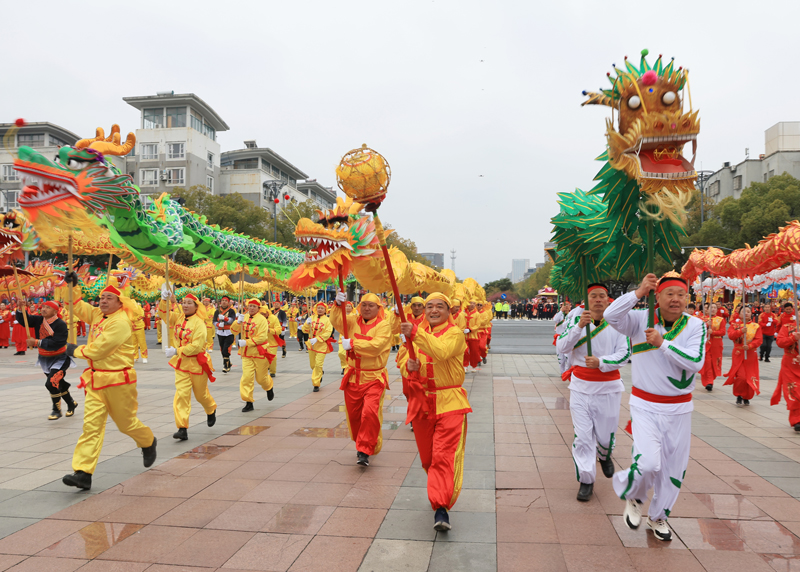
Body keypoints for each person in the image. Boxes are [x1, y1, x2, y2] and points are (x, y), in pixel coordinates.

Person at [605, 273, 706, 542]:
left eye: (681, 294)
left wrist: (662, 344)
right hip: (645, 405)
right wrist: (638, 292)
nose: (676, 299)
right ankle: (635, 496)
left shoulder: (696, 326)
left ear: (687, 298)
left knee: (673, 470)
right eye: (669, 293)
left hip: (680, 410)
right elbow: (611, 316)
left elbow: (696, 362)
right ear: (657, 296)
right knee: (649, 462)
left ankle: (658, 517)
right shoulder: (640, 320)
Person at [61, 278, 157, 491]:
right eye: (102, 297)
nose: (103, 301)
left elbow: (98, 350)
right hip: (96, 380)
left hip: (118, 381)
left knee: (126, 424)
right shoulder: (97, 314)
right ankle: (83, 473)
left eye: (109, 298)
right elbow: (76, 305)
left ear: (120, 302)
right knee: (91, 426)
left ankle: (148, 441)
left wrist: (73, 350)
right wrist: (72, 286)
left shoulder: (121, 322)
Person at [399, 293, 470, 531]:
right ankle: (438, 491)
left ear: (449, 311)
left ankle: (441, 508)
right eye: (429, 306)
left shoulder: (455, 333)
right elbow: (403, 362)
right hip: (422, 403)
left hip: (449, 401)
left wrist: (415, 334)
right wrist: (409, 367)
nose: (433, 310)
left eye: (440, 306)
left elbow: (440, 351)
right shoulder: (415, 333)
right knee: (428, 458)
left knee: (442, 455)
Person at [557, 284, 629, 501]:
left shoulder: (618, 324)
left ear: (609, 300)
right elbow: (562, 347)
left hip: (609, 387)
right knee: (583, 436)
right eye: (593, 296)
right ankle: (586, 479)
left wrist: (601, 362)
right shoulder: (576, 321)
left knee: (606, 436)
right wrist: (579, 326)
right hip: (581, 386)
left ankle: (604, 454)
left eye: (602, 296)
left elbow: (625, 354)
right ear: (586, 300)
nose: (598, 300)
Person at [332, 291, 392, 467]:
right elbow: (336, 321)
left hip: (374, 377)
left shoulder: (383, 325)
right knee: (355, 415)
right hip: (353, 377)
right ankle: (362, 443)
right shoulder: (350, 321)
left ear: (378, 308)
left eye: (371, 305)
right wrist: (337, 305)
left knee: (370, 412)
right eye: (364, 305)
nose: (367, 308)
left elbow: (377, 346)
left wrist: (353, 344)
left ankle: (364, 450)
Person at [160, 290, 217, 440]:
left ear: (196, 306)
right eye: (183, 302)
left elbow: (197, 346)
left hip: (197, 363)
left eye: (189, 303)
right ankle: (182, 427)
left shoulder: (200, 324)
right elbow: (163, 315)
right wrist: (164, 300)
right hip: (182, 364)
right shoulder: (178, 318)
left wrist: (176, 350)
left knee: (200, 395)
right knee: (181, 395)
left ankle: (210, 409)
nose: (185, 305)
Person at [17, 300, 78, 420]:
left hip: (60, 358)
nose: (43, 309)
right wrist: (20, 308)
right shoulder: (39, 320)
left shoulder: (60, 324)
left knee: (51, 383)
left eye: (47, 308)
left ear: (55, 311)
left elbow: (58, 342)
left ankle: (56, 410)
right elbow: (25, 320)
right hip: (45, 358)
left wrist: (36, 342)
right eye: (43, 307)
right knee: (59, 383)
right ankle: (71, 403)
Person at [231, 299, 275, 411]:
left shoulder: (262, 320)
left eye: (254, 306)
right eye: (250, 306)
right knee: (246, 377)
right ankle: (248, 401)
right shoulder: (244, 317)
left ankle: (268, 387)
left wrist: (247, 342)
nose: (251, 308)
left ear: (258, 308)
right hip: (246, 354)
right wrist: (237, 322)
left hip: (260, 352)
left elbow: (262, 337)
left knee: (261, 379)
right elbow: (233, 331)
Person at [391, 296, 426, 399]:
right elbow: (393, 329)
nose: (416, 308)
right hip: (406, 353)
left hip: (422, 353)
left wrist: (413, 338)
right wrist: (396, 315)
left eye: (419, 305)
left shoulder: (427, 318)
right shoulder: (404, 317)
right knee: (407, 389)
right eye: (414, 305)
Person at [724, 307, 761, 406]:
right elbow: (731, 335)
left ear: (751, 314)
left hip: (750, 354)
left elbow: (758, 340)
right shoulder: (734, 325)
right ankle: (739, 394)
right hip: (738, 353)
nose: (746, 314)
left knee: (750, 376)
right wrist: (740, 331)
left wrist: (750, 346)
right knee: (741, 377)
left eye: (748, 312)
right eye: (743, 312)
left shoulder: (755, 326)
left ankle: (747, 396)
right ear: (739, 314)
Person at [773, 312, 800, 431]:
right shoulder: (787, 327)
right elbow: (780, 342)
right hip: (790, 364)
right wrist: (793, 338)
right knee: (794, 391)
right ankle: (796, 420)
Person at [304, 301, 334, 392]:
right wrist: (306, 323)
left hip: (321, 345)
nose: (320, 310)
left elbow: (328, 332)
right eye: (318, 308)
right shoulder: (311, 318)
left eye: (322, 308)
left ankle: (316, 383)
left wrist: (317, 339)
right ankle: (319, 372)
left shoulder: (328, 320)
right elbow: (304, 330)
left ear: (325, 310)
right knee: (313, 365)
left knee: (318, 364)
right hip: (311, 345)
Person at [701, 303, 726, 391]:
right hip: (706, 343)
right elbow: (698, 331)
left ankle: (711, 379)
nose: (713, 309)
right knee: (707, 362)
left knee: (714, 362)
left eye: (715, 307)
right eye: (711, 307)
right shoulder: (703, 319)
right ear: (707, 309)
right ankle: (709, 382)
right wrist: (706, 325)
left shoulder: (721, 320)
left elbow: (723, 332)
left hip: (716, 344)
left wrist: (713, 332)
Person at [213, 296, 236, 373]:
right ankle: (228, 362)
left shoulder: (231, 311)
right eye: (222, 300)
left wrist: (225, 318)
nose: (224, 302)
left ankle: (226, 366)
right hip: (220, 332)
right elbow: (214, 321)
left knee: (226, 349)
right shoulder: (217, 311)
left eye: (226, 300)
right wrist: (218, 325)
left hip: (229, 332)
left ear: (229, 302)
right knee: (222, 349)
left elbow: (232, 320)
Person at [553, 300, 573, 375]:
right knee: (561, 358)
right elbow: (555, 319)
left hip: (568, 337)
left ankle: (567, 372)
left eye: (568, 305)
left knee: (568, 358)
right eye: (564, 305)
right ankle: (562, 373)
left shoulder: (572, 314)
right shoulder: (559, 315)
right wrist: (561, 311)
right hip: (559, 337)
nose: (566, 306)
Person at [463, 301, 482, 372]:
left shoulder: (477, 314)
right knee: (464, 351)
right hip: (464, 336)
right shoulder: (463, 313)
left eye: (474, 303)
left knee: (474, 352)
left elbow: (478, 325)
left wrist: (470, 330)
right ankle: (465, 365)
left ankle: (474, 366)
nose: (472, 305)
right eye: (470, 303)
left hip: (473, 336)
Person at [130, 300, 148, 364]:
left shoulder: (138, 307)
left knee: (142, 342)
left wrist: (134, 319)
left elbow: (142, 315)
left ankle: (144, 356)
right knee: (133, 343)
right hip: (131, 328)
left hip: (139, 327)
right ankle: (135, 357)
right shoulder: (128, 309)